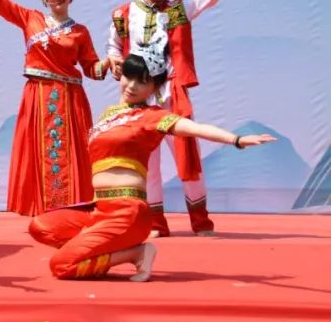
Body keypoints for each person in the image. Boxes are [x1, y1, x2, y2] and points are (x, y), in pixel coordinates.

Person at [28, 49, 275, 281]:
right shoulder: (108, 115)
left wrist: (236, 140)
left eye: (142, 82)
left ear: (154, 87)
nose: (132, 86)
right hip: (98, 209)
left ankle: (135, 253)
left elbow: (195, 129)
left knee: (61, 265)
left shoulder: (153, 116)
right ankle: (97, 250)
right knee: (41, 227)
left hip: (127, 213)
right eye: (129, 77)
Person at [106, 0, 249, 237]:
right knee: (149, 164)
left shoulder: (179, 9)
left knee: (188, 159)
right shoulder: (123, 13)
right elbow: (113, 46)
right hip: (140, 99)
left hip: (172, 95)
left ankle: (201, 222)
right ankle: (156, 224)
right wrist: (113, 58)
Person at [0, 0, 112, 216]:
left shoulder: (80, 32)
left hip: (70, 97)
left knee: (72, 153)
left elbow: (93, 70)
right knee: (40, 152)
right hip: (39, 95)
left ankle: (72, 205)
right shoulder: (31, 18)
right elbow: (2, 4)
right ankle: (43, 207)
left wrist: (111, 61)